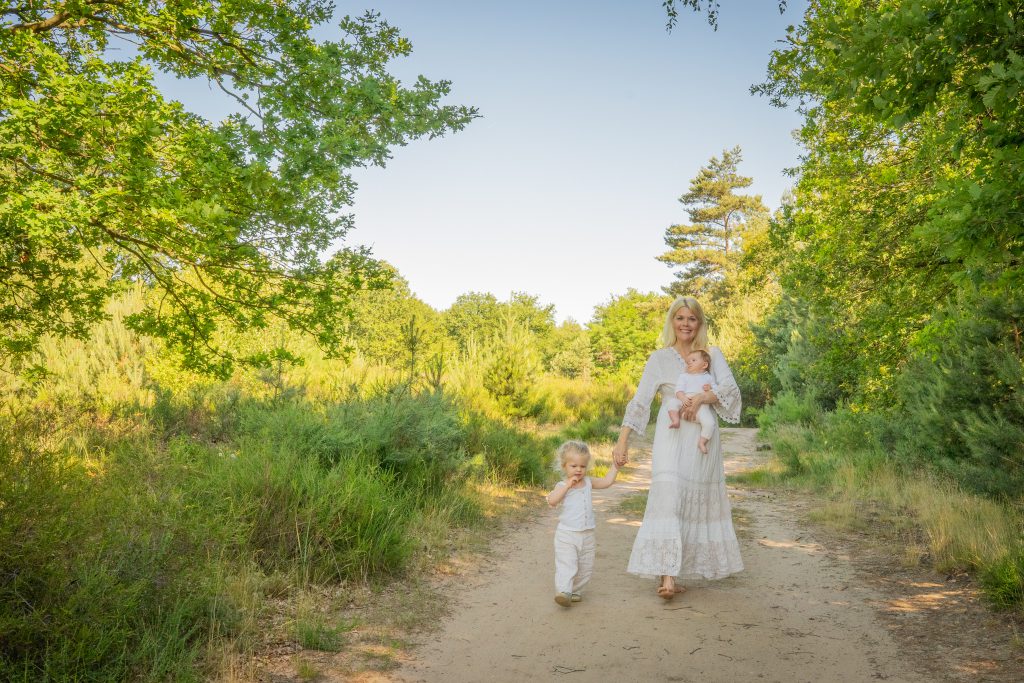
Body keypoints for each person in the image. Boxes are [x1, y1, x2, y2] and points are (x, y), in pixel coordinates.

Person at [612, 296, 743, 600]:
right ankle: (667, 577)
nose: (686, 324)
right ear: (672, 322)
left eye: (692, 319)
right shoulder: (659, 359)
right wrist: (622, 441)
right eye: (680, 318)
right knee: (668, 497)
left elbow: (730, 392)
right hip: (670, 435)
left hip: (700, 436)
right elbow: (641, 401)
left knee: (689, 500)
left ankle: (677, 570)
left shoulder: (713, 355)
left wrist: (700, 399)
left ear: (700, 323)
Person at [546, 440, 620, 607]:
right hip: (567, 534)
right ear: (564, 466)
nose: (578, 470)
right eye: (573, 466)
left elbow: (607, 482)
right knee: (568, 563)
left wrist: (615, 466)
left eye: (582, 466)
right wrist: (566, 486)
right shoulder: (561, 485)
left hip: (587, 534)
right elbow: (552, 501)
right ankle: (564, 591)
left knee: (585, 566)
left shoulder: (588, 482)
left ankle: (575, 591)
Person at [665, 349, 718, 454]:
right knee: (671, 402)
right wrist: (683, 398)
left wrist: (710, 388)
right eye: (688, 361)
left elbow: (717, 392)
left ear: (704, 365)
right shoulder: (684, 376)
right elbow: (678, 390)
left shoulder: (708, 378)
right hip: (685, 402)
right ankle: (675, 420)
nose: (689, 363)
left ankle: (702, 442)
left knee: (710, 423)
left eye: (693, 360)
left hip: (702, 408)